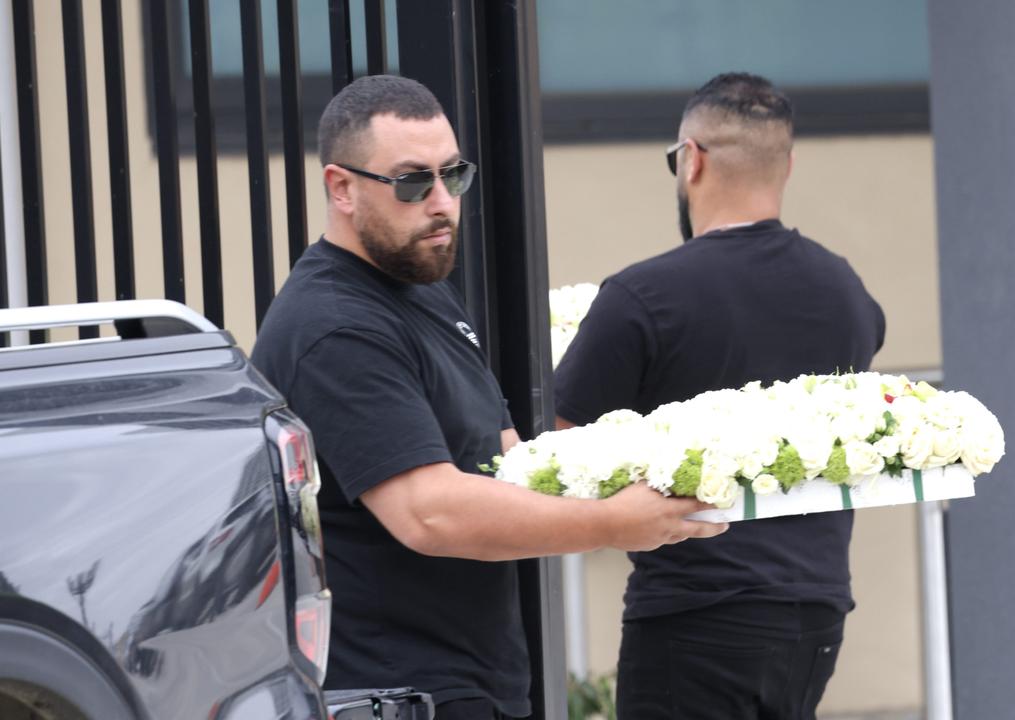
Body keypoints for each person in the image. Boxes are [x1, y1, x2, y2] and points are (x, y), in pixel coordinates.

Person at [251, 75, 725, 720]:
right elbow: (429, 513)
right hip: (396, 690)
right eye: (413, 181)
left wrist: (642, 470)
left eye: (454, 174)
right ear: (342, 187)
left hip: (471, 678)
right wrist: (614, 522)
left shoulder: (417, 283)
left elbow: (506, 458)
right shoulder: (335, 326)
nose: (442, 203)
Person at [554, 73, 887, 720]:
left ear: (691, 159)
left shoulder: (641, 297)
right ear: (787, 164)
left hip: (695, 610)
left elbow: (564, 452)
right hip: (816, 610)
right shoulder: (845, 290)